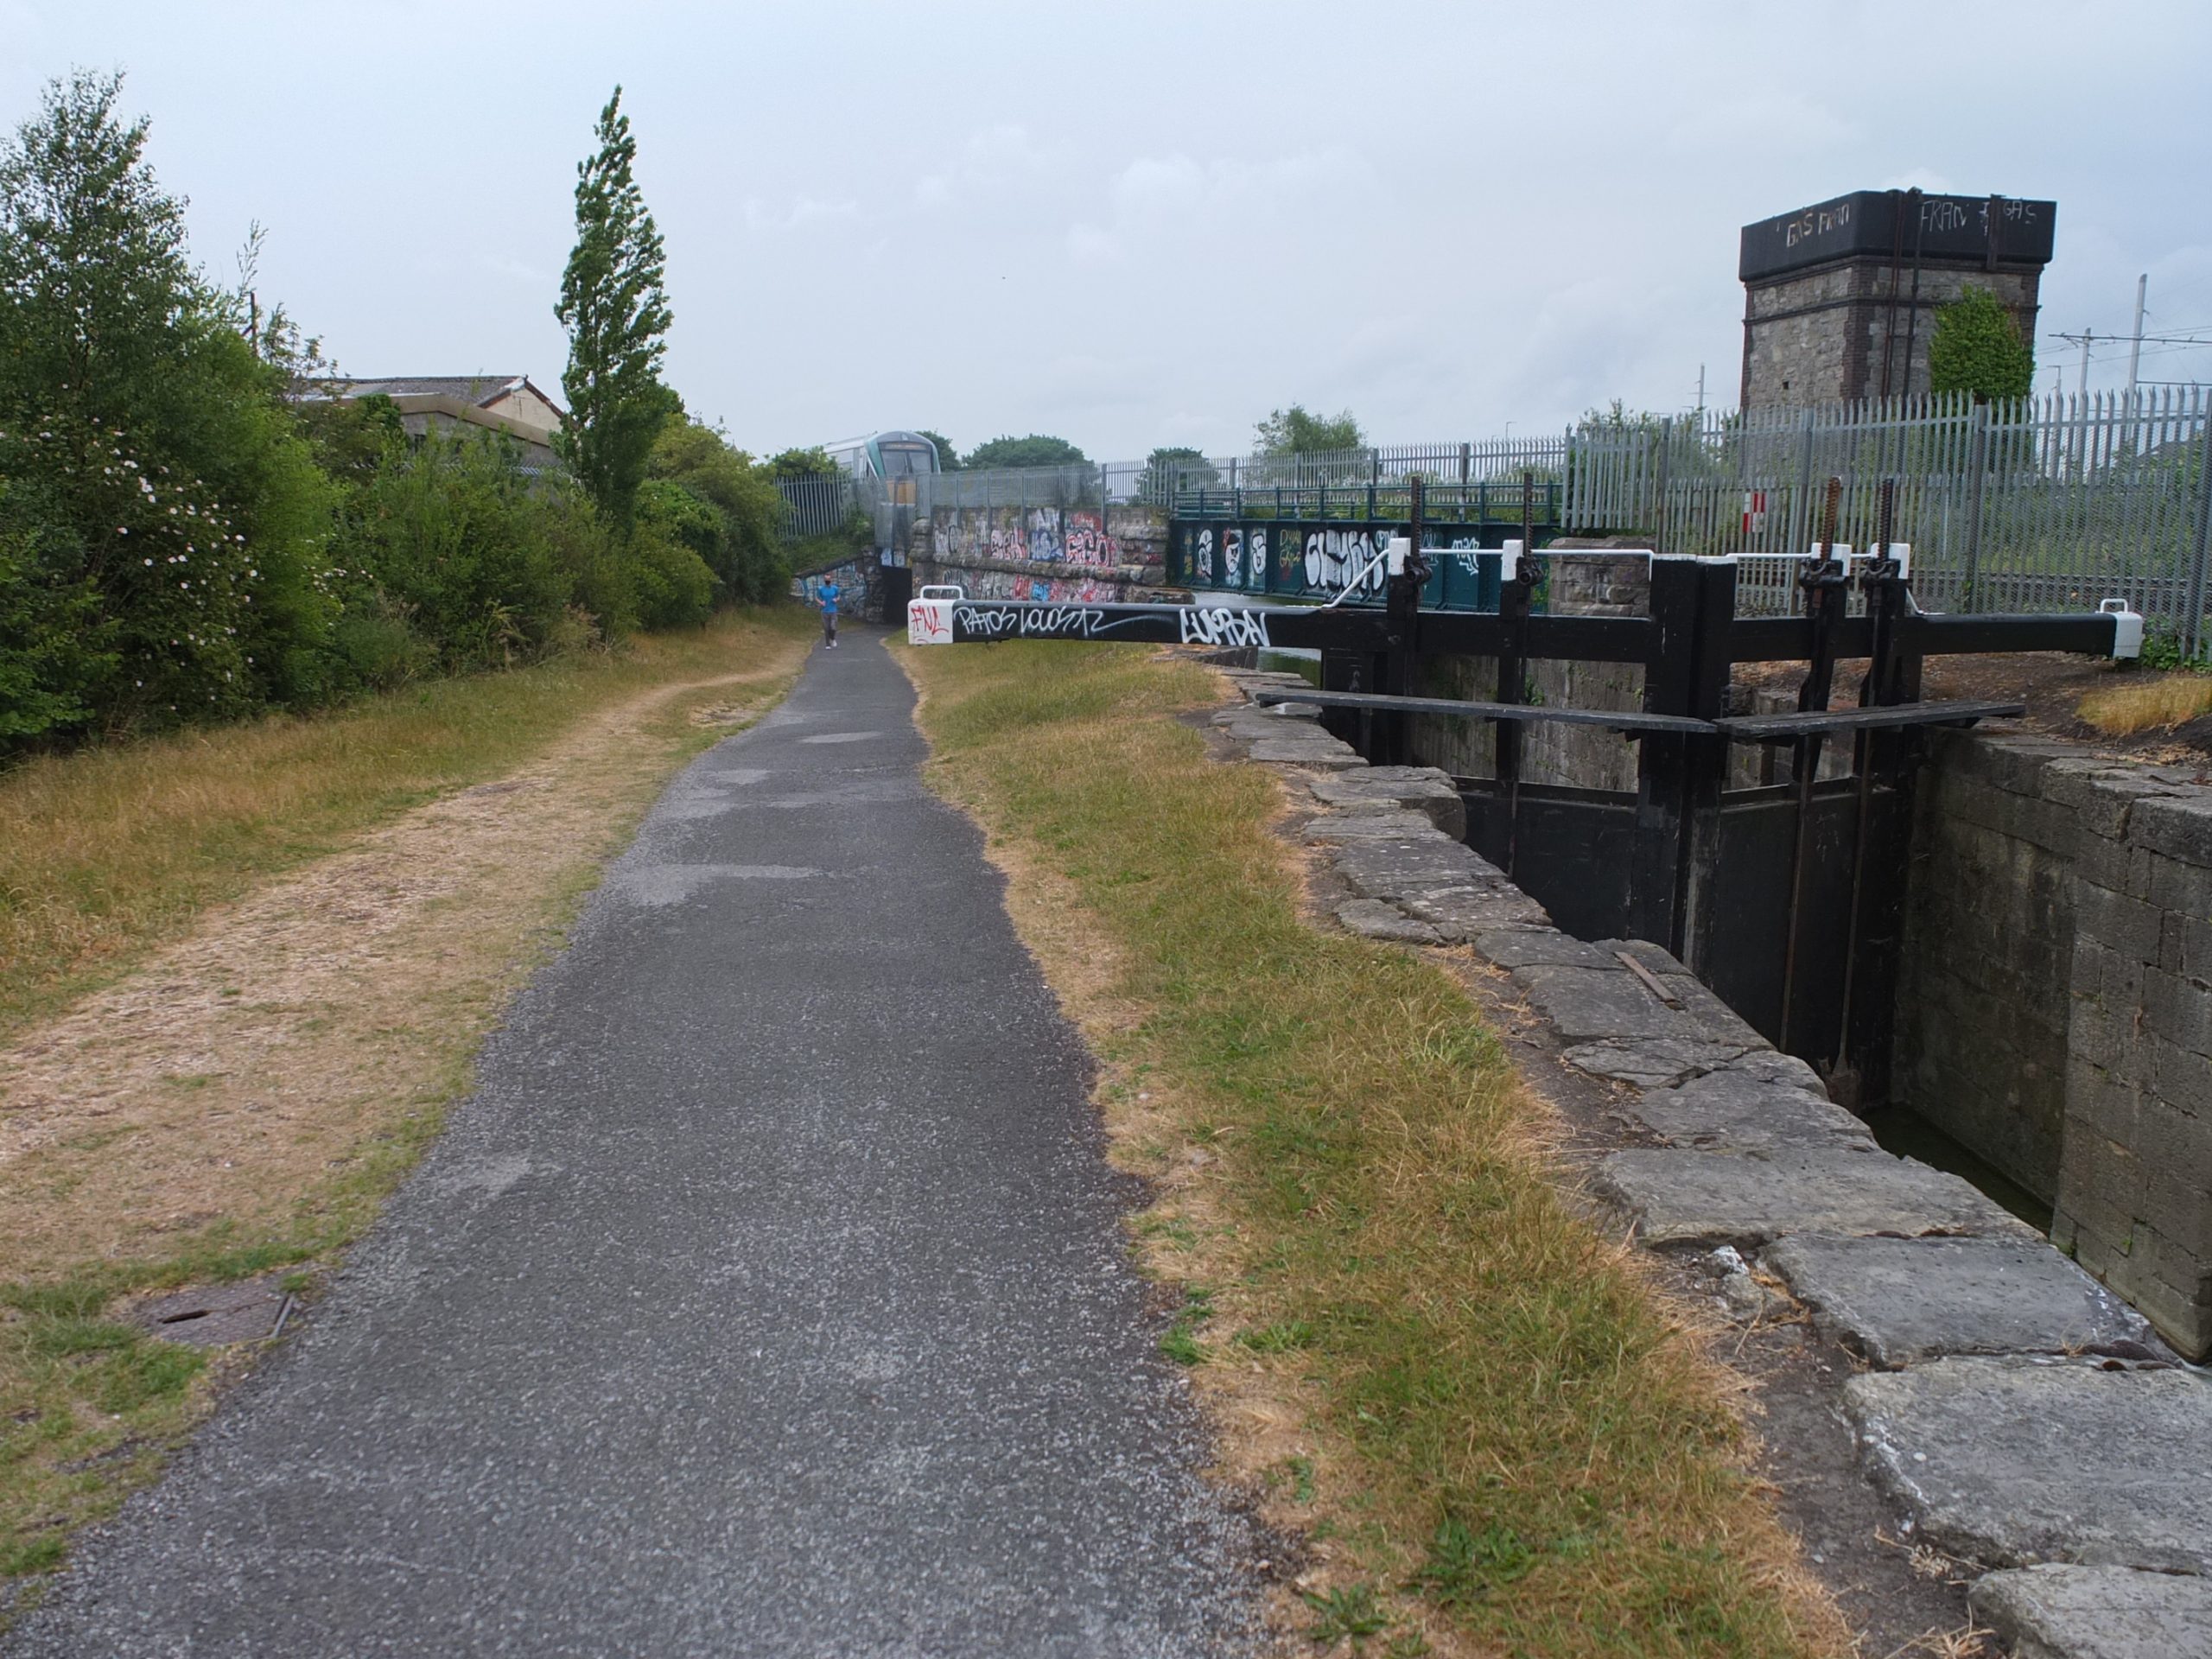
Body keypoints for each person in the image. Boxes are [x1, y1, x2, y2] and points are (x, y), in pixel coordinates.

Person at [817, 577, 841, 648]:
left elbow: (838, 596)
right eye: (826, 580)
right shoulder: (821, 589)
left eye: (829, 580)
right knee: (826, 628)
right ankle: (827, 644)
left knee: (833, 627)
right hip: (824, 611)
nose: (827, 581)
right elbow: (817, 598)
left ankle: (833, 638)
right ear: (824, 581)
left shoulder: (835, 588)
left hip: (833, 611)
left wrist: (836, 599)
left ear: (831, 580)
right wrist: (821, 602)